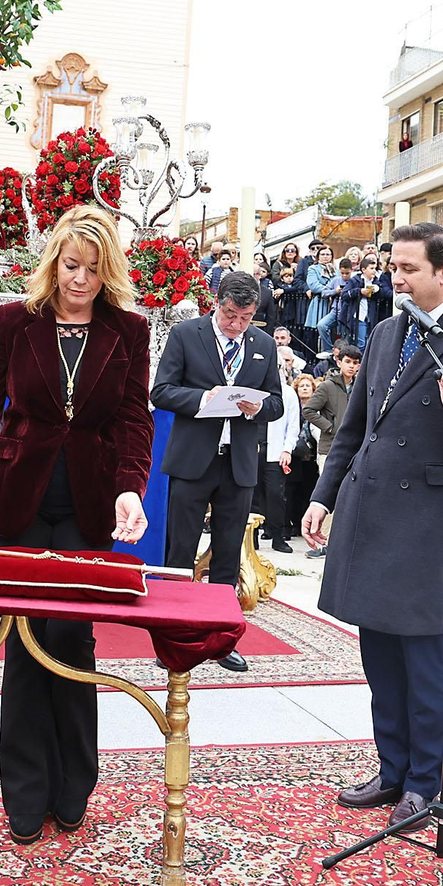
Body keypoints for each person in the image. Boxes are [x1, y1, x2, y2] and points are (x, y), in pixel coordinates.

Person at [0, 204, 152, 845]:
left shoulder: (129, 330)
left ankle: (73, 785)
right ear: (52, 262)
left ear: (108, 272)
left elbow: (134, 420)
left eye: (91, 269)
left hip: (89, 508)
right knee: (27, 644)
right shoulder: (14, 321)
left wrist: (130, 490)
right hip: (19, 501)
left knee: (73, 640)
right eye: (69, 265)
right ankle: (24, 794)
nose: (78, 280)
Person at [303, 221, 443, 828]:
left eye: (408, 269)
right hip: (371, 511)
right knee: (380, 659)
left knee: (425, 664)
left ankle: (426, 784)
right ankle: (391, 769)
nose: (396, 278)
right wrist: (324, 496)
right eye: (393, 267)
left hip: (428, 525)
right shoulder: (384, 332)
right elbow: (355, 429)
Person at [154, 270, 283, 672]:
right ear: (217, 302)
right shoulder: (186, 335)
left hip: (239, 461)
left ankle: (222, 639)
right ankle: (173, 638)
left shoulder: (262, 344)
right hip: (194, 459)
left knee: (228, 553)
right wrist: (202, 398)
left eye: (245, 318)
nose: (236, 325)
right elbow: (161, 390)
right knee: (179, 552)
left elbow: (277, 402)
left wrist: (260, 407)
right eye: (230, 315)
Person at [301, 340, 359, 558]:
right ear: (339, 361)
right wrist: (330, 426)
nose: (352, 366)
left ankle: (337, 541)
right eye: (348, 362)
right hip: (329, 449)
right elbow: (308, 410)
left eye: (355, 363)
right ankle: (323, 543)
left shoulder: (359, 386)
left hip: (353, 449)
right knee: (327, 494)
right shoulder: (327, 386)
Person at [253, 355, 300, 553]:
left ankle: (277, 535)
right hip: (251, 450)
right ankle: (251, 537)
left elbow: (293, 424)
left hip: (275, 451)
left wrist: (287, 448)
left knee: (276, 495)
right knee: (251, 496)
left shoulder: (287, 393)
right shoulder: (252, 388)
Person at [285, 373, 320, 540]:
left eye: (308, 386)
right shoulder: (293, 407)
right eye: (301, 386)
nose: (305, 388)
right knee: (293, 492)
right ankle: (295, 524)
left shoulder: (317, 407)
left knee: (309, 491)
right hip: (295, 456)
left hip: (312, 457)